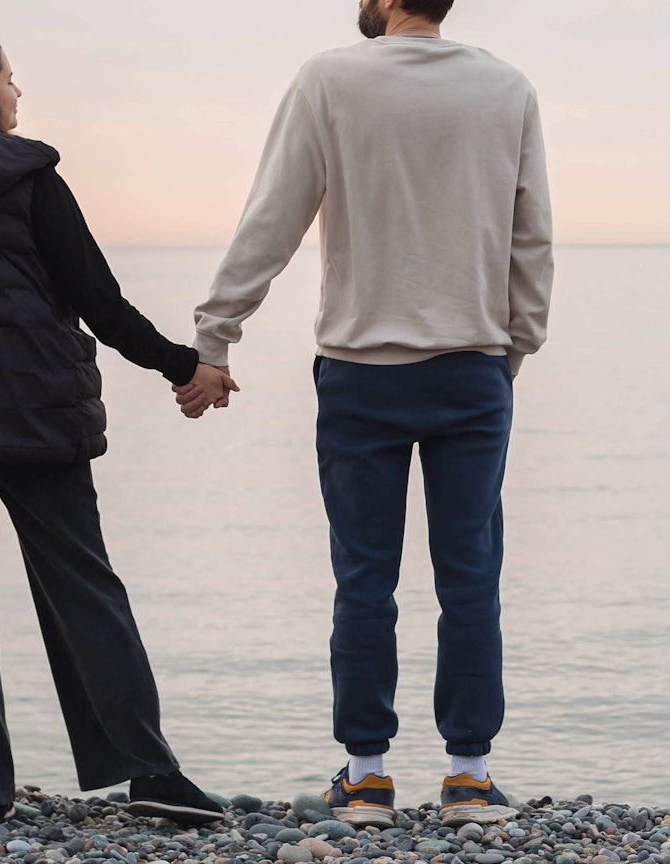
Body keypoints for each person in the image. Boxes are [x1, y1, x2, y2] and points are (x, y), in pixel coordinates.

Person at [176, 0, 554, 828]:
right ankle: (468, 780)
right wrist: (513, 349)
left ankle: (369, 779)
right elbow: (532, 239)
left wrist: (216, 335)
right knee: (470, 578)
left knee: (363, 581)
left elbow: (274, 216)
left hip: (359, 373)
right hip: (472, 367)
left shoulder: (329, 78)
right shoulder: (507, 87)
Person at [0, 30, 233, 826]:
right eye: (9, 79)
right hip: (32, 418)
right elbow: (100, 300)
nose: (18, 95)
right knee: (85, 594)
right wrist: (184, 367)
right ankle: (150, 776)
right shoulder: (30, 177)